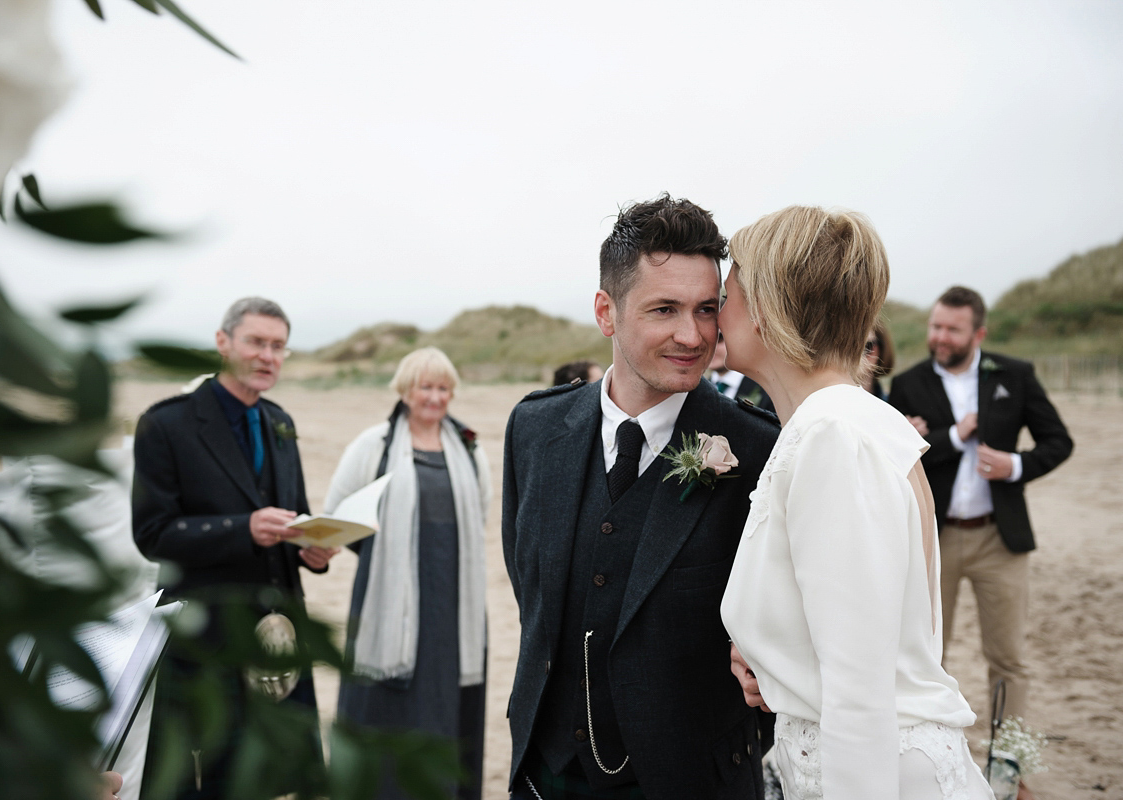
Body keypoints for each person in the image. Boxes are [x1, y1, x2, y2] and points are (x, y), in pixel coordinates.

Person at [502, 194, 779, 800]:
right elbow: (532, 591)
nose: (693, 335)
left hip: (692, 778)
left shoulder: (760, 449)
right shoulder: (533, 429)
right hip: (545, 772)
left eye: (708, 309)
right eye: (664, 309)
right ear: (607, 312)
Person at [718, 206, 993, 799]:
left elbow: (859, 691)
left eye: (729, 287)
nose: (717, 305)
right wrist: (775, 660)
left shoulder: (834, 437)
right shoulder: (853, 420)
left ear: (766, 307)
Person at [131, 297, 336, 800]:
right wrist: (242, 528)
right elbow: (152, 534)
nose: (268, 356)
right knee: (215, 779)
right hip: (206, 641)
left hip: (278, 637)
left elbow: (295, 515)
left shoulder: (281, 422)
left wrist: (312, 550)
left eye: (279, 346)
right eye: (257, 342)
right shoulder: (166, 424)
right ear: (223, 343)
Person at [887, 287, 1072, 800]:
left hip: (1000, 537)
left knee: (1009, 659)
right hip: (934, 539)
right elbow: (898, 460)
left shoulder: (1014, 375)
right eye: (935, 326)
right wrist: (938, 435)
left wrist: (1015, 465)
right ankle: (933, 773)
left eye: (951, 329)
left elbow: (1059, 441)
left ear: (979, 335)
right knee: (926, 655)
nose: (938, 337)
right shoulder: (907, 384)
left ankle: (1010, 775)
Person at [324, 347, 492, 800]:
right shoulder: (373, 444)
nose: (435, 397)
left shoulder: (469, 447)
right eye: (426, 386)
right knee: (386, 705)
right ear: (405, 390)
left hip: (453, 597)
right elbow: (335, 513)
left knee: (443, 705)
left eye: (443, 388)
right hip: (387, 596)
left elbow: (479, 514)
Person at [707, 332, 775, 412]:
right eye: (706, 342)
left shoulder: (765, 389)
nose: (711, 348)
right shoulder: (699, 388)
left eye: (719, 339)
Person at [863, 318, 895, 400]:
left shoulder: (895, 404)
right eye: (850, 348)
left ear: (882, 348)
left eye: (867, 346)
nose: (857, 356)